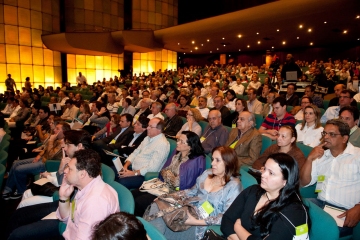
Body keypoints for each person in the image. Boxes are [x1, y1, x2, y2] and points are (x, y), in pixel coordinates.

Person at [147, 146, 242, 240]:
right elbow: (190, 192)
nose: (212, 163)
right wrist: (167, 197)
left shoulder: (234, 185)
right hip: (188, 210)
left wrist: (196, 221)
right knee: (157, 205)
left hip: (201, 223)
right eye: (213, 159)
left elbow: (226, 216)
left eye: (217, 160)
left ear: (228, 162)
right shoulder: (207, 173)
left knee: (163, 228)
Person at [222, 153, 310, 240]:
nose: (263, 175)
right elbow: (227, 219)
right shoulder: (253, 191)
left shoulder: (294, 212)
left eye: (271, 173)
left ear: (285, 181)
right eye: (264, 169)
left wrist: (238, 228)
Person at [300, 119, 360, 238]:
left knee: (318, 231)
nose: (326, 137)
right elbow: (303, 182)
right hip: (319, 205)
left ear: (344, 138)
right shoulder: (321, 156)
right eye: (324, 133)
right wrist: (310, 159)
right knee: (290, 216)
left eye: (331, 134)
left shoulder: (357, 156)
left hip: (343, 212)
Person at [133, 131, 206, 216]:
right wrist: (170, 176)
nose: (177, 143)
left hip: (175, 193)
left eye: (181, 142)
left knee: (140, 202)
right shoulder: (177, 153)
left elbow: (178, 184)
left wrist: (168, 175)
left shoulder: (195, 161)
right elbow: (163, 171)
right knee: (134, 194)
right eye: (178, 140)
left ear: (190, 146)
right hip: (163, 185)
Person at [56, 149, 119, 240]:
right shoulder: (85, 187)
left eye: (70, 169)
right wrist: (64, 197)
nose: (65, 171)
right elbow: (68, 218)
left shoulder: (95, 202)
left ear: (82, 174)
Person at [2, 122, 70, 200]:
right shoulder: (56, 138)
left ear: (64, 131)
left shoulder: (63, 142)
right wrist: (39, 155)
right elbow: (45, 149)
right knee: (15, 163)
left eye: (57, 129)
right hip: (43, 158)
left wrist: (51, 141)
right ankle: (8, 189)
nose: (54, 130)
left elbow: (51, 156)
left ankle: (21, 191)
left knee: (19, 169)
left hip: (47, 164)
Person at [117, 117, 170, 189]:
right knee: (111, 172)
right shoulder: (147, 138)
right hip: (132, 168)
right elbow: (135, 152)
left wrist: (133, 173)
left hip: (143, 176)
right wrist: (125, 166)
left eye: (150, 126)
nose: (147, 128)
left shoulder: (162, 144)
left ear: (159, 130)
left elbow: (153, 168)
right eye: (148, 125)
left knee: (120, 181)